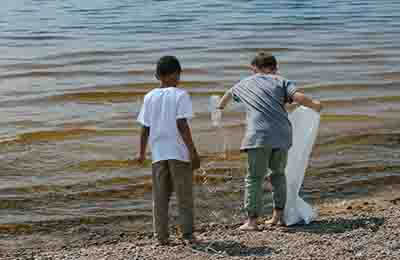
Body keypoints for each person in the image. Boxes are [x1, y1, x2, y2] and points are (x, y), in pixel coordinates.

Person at [217, 52, 322, 231]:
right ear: (274, 68)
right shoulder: (281, 81)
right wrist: (315, 105)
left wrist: (220, 106)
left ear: (254, 69)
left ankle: (252, 222)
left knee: (254, 178)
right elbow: (298, 98)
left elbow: (228, 94)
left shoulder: (244, 83)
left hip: (257, 137)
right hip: (282, 136)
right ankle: (278, 217)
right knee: (278, 175)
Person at [137, 55, 201, 245]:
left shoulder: (149, 96)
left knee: (160, 198)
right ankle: (187, 234)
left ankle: (161, 236)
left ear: (157, 75)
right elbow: (182, 124)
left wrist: (141, 152)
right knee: (184, 196)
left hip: (158, 153)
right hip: (178, 153)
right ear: (176, 74)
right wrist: (193, 152)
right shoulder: (180, 95)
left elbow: (145, 127)